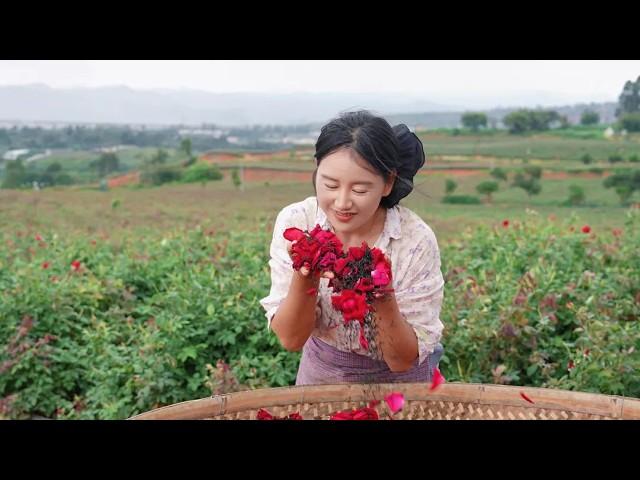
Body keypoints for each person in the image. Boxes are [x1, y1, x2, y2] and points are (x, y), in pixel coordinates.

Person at [259, 110, 444, 385]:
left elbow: (401, 360)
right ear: (316, 169)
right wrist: (306, 273)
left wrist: (382, 294)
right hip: (322, 376)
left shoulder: (413, 241)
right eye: (330, 185)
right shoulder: (300, 222)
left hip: (401, 388)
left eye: (359, 190)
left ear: (388, 183)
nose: (342, 202)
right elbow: (291, 338)